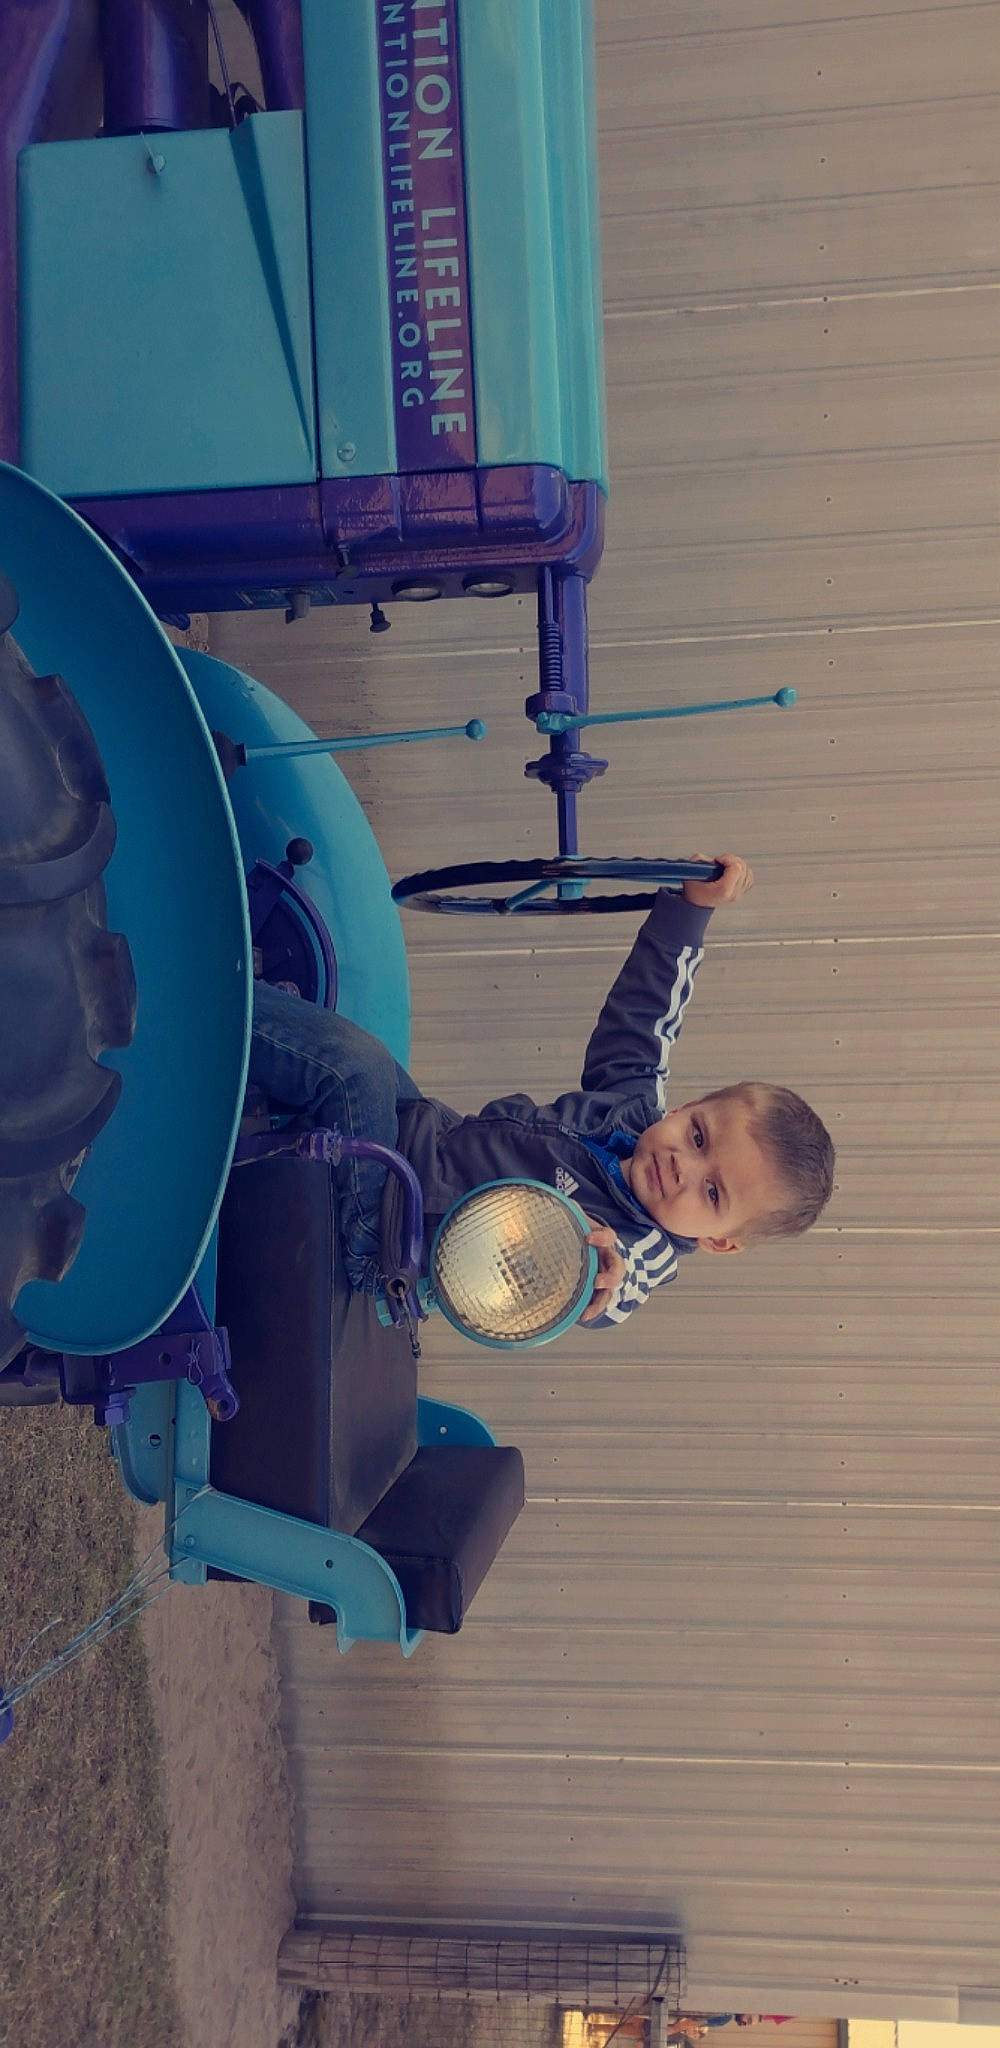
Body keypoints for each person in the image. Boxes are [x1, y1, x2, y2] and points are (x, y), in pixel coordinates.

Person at [247, 854, 835, 1329]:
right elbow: (646, 1015)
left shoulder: (633, 1246)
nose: (683, 1165)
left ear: (719, 1242)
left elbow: (619, 1286)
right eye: (699, 1135)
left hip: (390, 1242)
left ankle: (190, 993)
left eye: (711, 1192)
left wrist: (601, 1275)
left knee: (357, 1070)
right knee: (352, 1053)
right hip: (419, 1137)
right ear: (683, 1108)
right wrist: (689, 912)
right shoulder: (629, 1110)